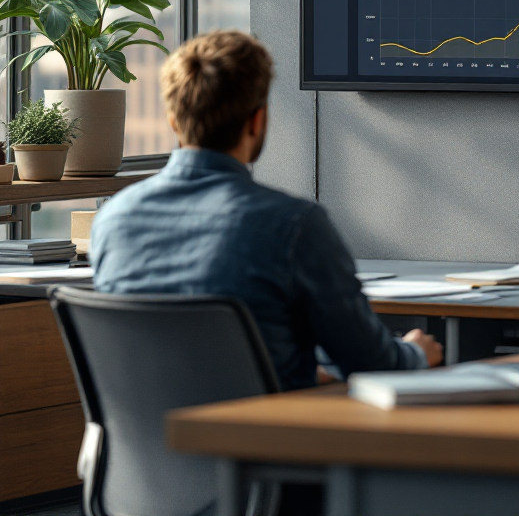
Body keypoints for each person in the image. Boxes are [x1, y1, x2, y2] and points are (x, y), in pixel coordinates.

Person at [91, 30, 442, 389]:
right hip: (261, 440)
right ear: (256, 122)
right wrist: (414, 353)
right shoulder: (293, 226)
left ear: (173, 121)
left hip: (145, 441)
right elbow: (371, 363)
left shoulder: (113, 220)